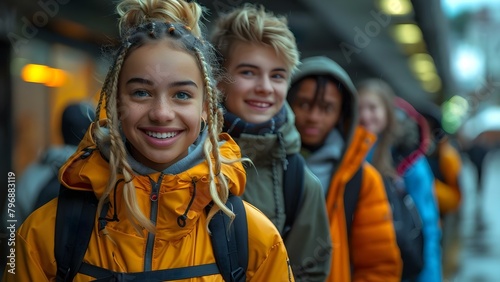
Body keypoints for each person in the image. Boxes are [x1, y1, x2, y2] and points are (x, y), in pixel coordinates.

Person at [4, 0, 294, 281]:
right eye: (141, 92)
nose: (161, 113)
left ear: (205, 107)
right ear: (116, 102)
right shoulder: (43, 235)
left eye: (181, 95)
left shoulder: (255, 240)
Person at [210, 4, 332, 281]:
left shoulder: (299, 182)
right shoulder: (180, 154)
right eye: (249, 72)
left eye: (277, 75)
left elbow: (308, 273)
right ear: (218, 79)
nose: (265, 87)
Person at [287, 56, 402, 281]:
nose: (313, 117)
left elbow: (378, 267)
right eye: (303, 104)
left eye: (327, 108)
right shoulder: (261, 166)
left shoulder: (363, 179)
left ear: (342, 115)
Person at [357, 78, 442, 282]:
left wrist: (430, 277)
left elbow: (428, 224)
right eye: (359, 108)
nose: (365, 115)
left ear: (387, 112)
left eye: (372, 108)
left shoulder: (410, 160)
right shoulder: (349, 153)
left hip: (406, 266)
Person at [14, 102, 95, 224]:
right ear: (94, 132)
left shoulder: (31, 174)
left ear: (60, 129)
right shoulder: (101, 174)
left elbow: (10, 223)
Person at [419, 105, 462, 217]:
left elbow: (456, 197)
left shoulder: (447, 155)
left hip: (439, 215)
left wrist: (430, 187)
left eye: (430, 128)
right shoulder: (409, 152)